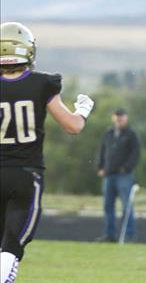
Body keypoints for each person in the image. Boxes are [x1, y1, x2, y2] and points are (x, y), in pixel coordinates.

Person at [0, 22, 94, 283]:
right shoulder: (41, 84)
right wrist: (84, 109)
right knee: (11, 247)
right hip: (26, 176)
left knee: (3, 247)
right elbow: (72, 126)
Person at [96, 108, 140, 242]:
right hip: (108, 175)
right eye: (117, 116)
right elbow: (102, 151)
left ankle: (129, 235)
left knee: (127, 206)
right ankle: (110, 235)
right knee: (108, 206)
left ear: (126, 118)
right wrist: (99, 167)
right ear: (113, 117)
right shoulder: (108, 133)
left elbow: (135, 154)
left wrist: (126, 168)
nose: (119, 119)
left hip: (123, 176)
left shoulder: (131, 135)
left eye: (121, 116)